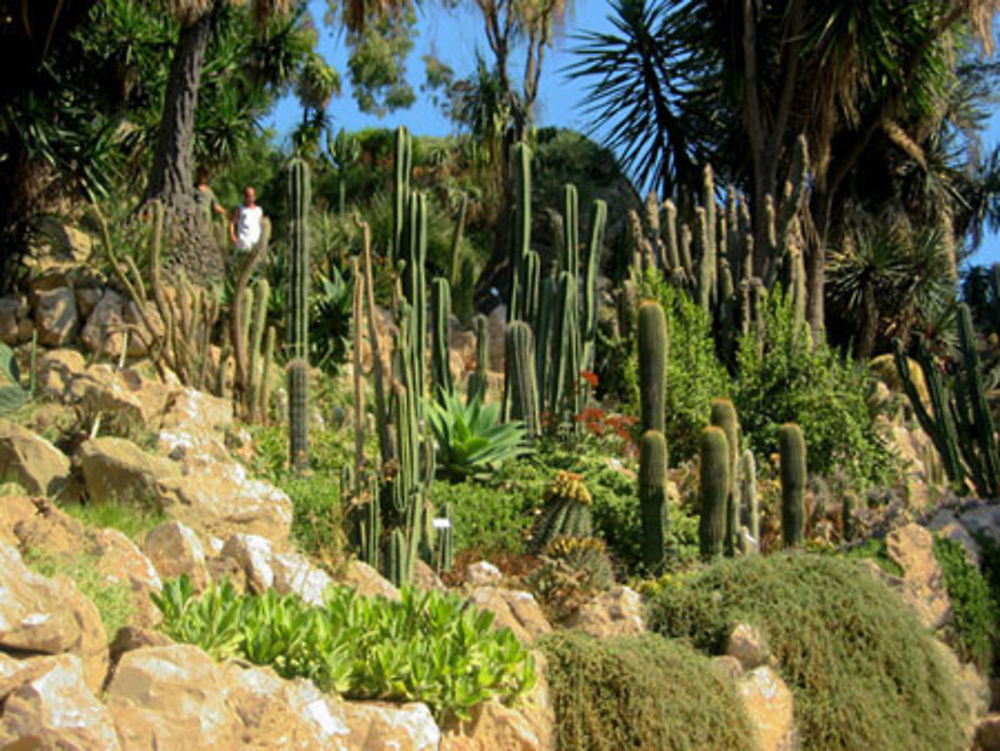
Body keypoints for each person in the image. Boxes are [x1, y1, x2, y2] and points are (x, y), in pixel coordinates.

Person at [230, 185, 264, 253]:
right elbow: (232, 223)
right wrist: (232, 236)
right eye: (248, 196)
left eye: (251, 196)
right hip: (243, 241)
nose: (250, 198)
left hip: (256, 242)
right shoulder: (240, 208)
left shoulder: (259, 210)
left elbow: (261, 225)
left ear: (254, 197)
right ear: (245, 197)